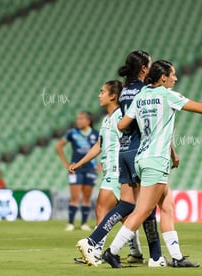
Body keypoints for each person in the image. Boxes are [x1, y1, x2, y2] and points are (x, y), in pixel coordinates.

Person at [103, 60, 202, 268]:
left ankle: (176, 257)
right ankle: (112, 252)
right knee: (142, 211)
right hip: (156, 160)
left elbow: (122, 125)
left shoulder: (141, 96)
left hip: (141, 157)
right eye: (173, 75)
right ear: (163, 77)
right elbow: (201, 109)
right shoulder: (167, 95)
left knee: (167, 205)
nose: (175, 78)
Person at [75, 51, 167, 267]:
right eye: (150, 65)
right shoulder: (145, 91)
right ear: (144, 69)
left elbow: (120, 127)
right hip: (139, 151)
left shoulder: (125, 91)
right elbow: (148, 123)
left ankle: (144, 254)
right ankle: (96, 244)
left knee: (132, 206)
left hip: (124, 153)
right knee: (139, 206)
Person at [70, 80, 143, 265]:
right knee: (124, 215)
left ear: (113, 96)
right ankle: (136, 252)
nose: (99, 95)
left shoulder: (122, 116)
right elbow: (100, 145)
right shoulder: (107, 119)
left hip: (118, 170)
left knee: (102, 208)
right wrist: (80, 163)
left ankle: (94, 250)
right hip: (111, 170)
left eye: (102, 91)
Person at [56, 111, 99, 231]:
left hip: (90, 168)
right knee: (74, 196)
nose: (78, 121)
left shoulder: (96, 134)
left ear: (88, 121)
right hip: (75, 169)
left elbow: (105, 148)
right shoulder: (72, 133)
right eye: (78, 119)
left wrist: (101, 165)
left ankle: (84, 223)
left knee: (86, 197)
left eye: (81, 119)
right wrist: (66, 164)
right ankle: (70, 223)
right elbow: (59, 146)